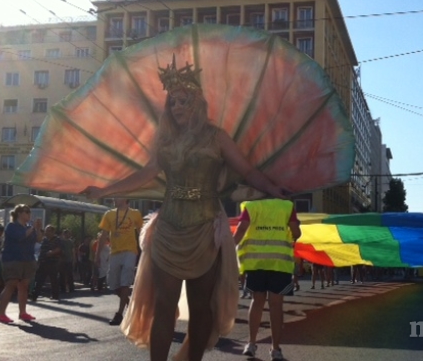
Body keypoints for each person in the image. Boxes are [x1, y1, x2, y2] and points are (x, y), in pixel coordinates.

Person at [84, 58, 288, 361]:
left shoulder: (216, 136)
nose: (177, 107)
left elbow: (247, 170)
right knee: (164, 305)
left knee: (201, 307)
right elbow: (145, 173)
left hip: (205, 229)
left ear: (197, 102)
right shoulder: (165, 139)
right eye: (172, 102)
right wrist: (104, 190)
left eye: (183, 101)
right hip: (168, 230)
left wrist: (274, 189)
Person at [233, 199, 301, 361]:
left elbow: (242, 229)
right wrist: (293, 228)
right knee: (276, 305)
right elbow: (296, 233)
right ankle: (275, 350)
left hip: (256, 262)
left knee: (257, 302)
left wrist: (228, 248)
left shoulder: (251, 206)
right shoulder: (287, 206)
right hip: (279, 263)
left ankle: (251, 344)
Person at [96, 198, 143, 326]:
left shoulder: (135, 213)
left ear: (125, 198)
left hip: (130, 251)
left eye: (117, 196)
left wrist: (147, 250)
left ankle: (120, 314)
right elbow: (104, 236)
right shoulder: (109, 214)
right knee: (113, 284)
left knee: (125, 283)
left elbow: (141, 233)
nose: (114, 199)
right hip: (115, 252)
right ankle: (132, 306)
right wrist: (97, 255)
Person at [0, 204, 43, 323]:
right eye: (26, 212)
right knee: (11, 284)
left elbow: (38, 239)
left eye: (29, 212)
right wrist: (32, 228)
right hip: (13, 259)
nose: (29, 214)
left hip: (27, 259)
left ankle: (23, 312)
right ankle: (1, 314)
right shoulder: (11, 226)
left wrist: (37, 229)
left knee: (24, 285)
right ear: (19, 214)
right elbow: (20, 237)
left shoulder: (28, 227)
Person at [31, 225, 62, 301]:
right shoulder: (44, 240)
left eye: (48, 230)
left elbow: (59, 249)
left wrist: (52, 252)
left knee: (54, 279)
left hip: (52, 262)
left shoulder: (57, 239)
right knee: (39, 279)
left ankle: (55, 295)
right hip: (43, 262)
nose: (46, 232)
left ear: (53, 232)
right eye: (46, 230)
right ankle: (35, 295)